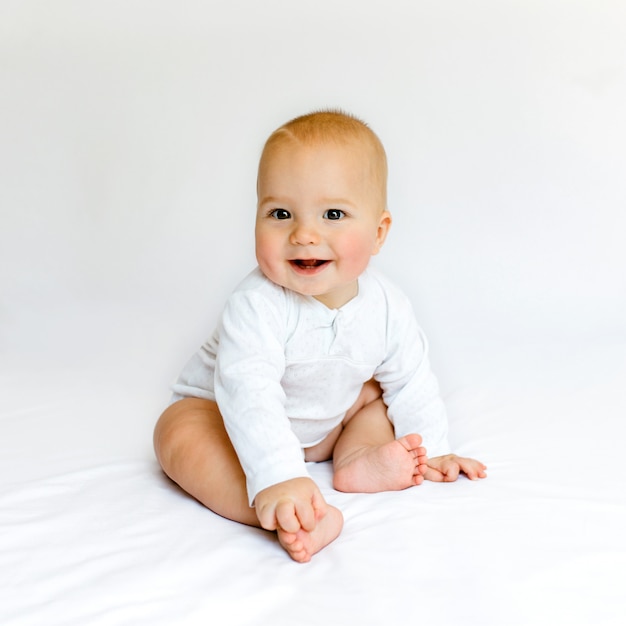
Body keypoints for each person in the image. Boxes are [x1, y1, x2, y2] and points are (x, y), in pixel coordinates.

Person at [154, 110, 487, 563]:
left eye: (333, 214)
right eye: (280, 213)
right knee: (176, 432)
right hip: (227, 421)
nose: (304, 234)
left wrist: (434, 448)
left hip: (328, 424)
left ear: (379, 232)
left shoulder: (388, 306)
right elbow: (248, 393)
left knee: (374, 396)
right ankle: (286, 507)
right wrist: (278, 471)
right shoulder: (256, 305)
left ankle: (358, 462)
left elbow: (411, 380)